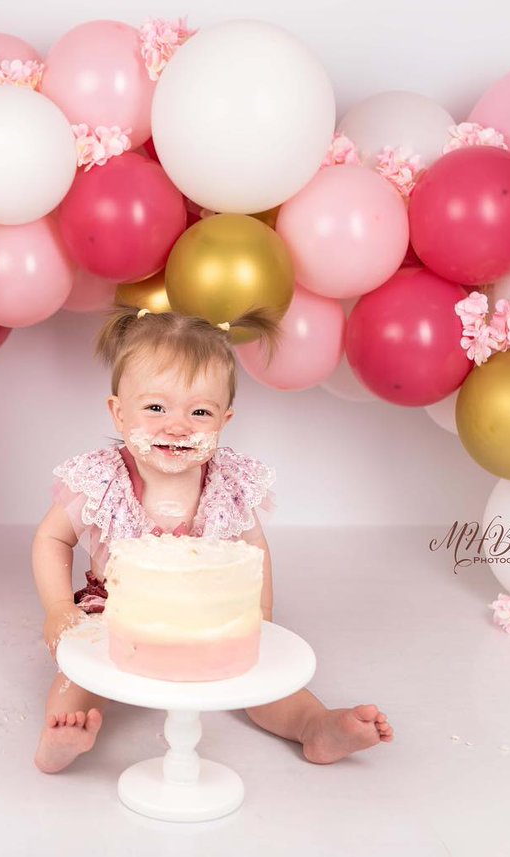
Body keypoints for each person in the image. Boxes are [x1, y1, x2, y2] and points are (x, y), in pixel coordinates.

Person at [32, 305, 394, 774]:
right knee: (80, 671)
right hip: (118, 610)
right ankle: (60, 737)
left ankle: (314, 726)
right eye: (156, 408)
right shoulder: (102, 479)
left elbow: (254, 550)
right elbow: (51, 539)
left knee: (262, 684)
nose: (177, 425)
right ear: (119, 414)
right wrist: (59, 607)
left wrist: (258, 619)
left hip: (208, 615)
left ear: (224, 420)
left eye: (199, 411)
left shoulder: (227, 483)